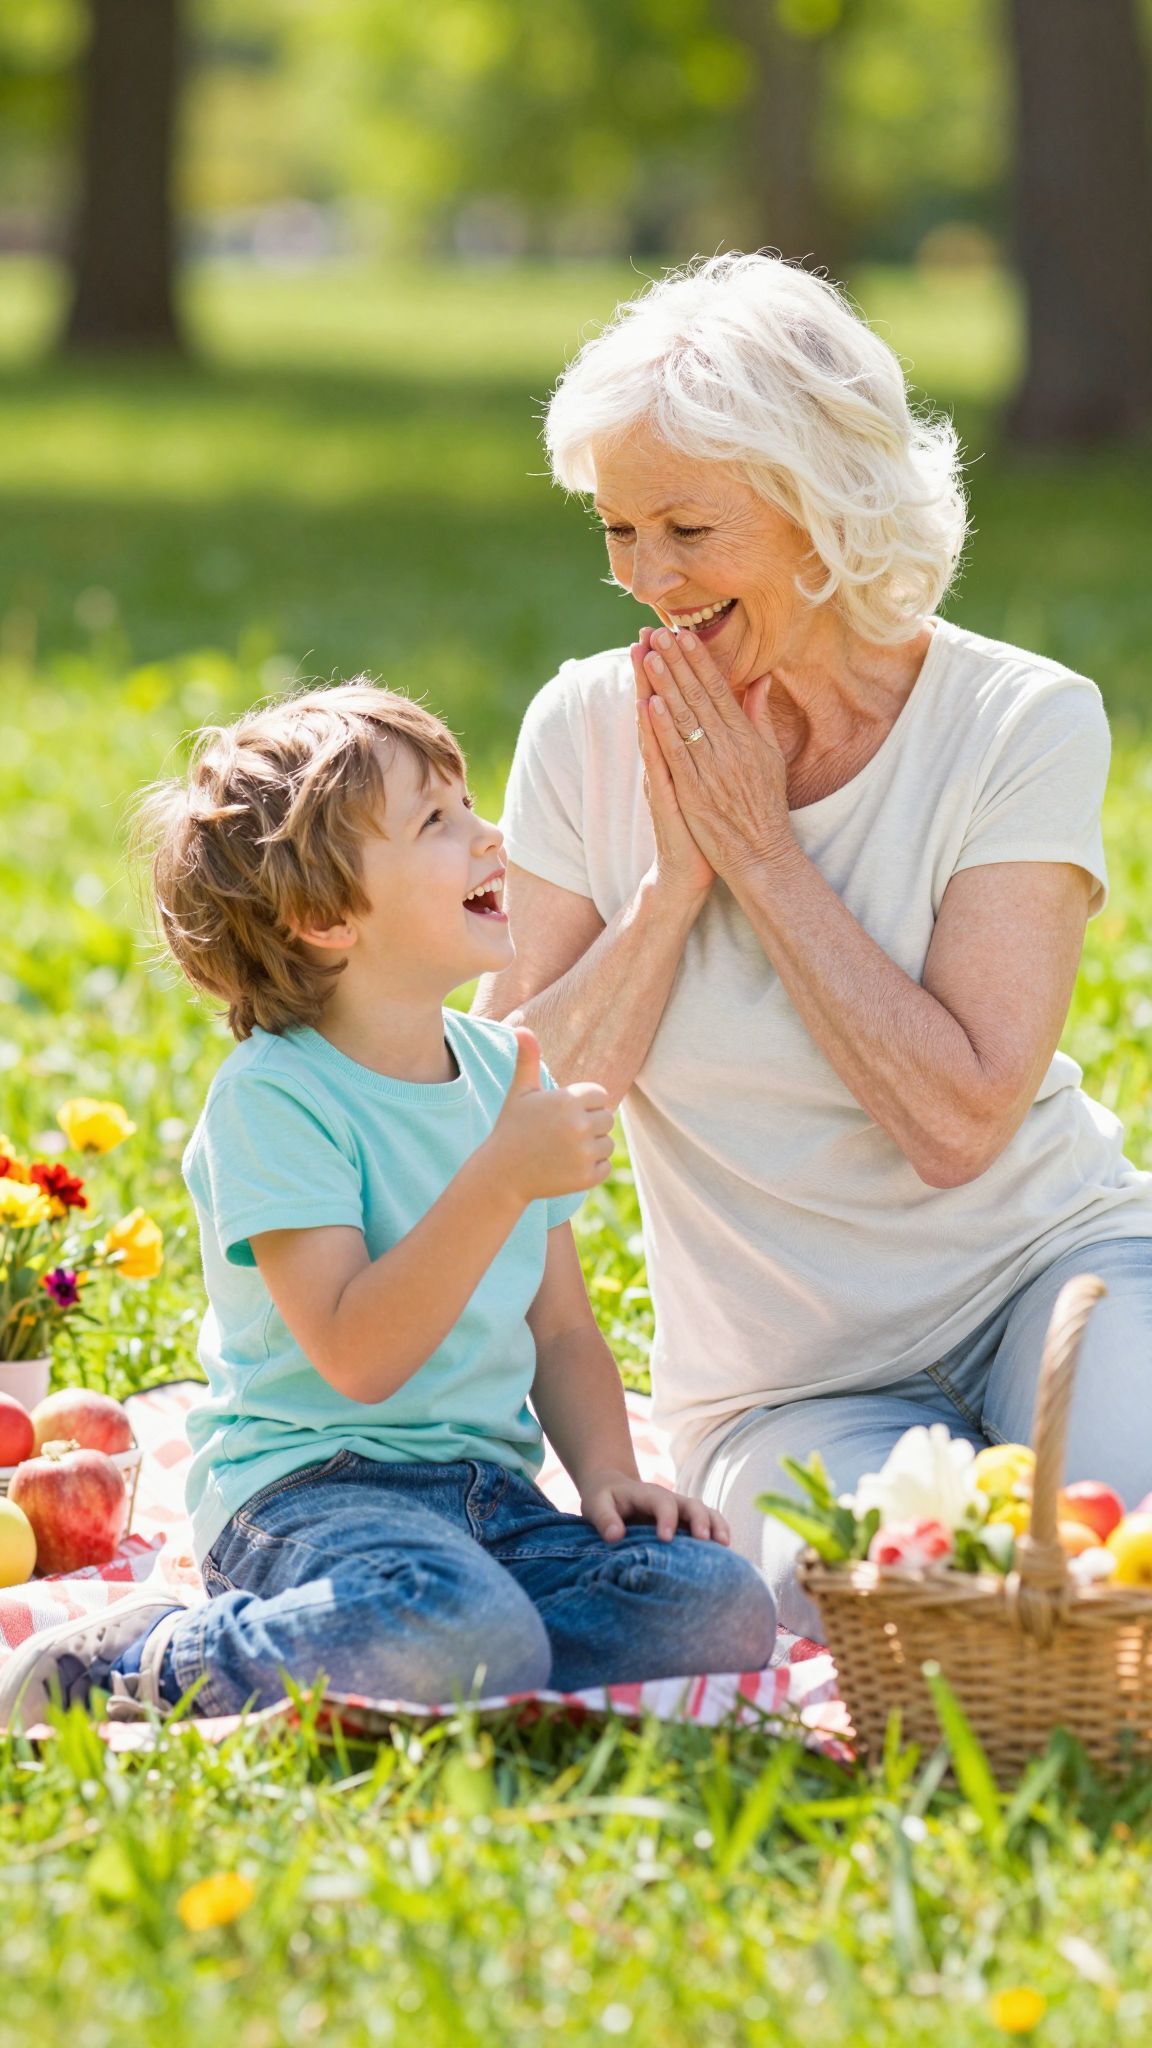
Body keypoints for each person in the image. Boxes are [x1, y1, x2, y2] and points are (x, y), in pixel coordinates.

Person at [474, 251, 1152, 1640]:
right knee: (898, 1618)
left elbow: (959, 1123)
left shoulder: (1022, 721)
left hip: (1054, 1277)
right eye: (616, 529)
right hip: (787, 1381)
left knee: (1119, 1572)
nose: (646, 581)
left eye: (687, 530)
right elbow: (503, 1117)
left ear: (824, 510)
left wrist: (768, 861)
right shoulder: (584, 730)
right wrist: (673, 883)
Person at [0, 682, 774, 1730]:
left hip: (485, 1497)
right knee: (461, 1628)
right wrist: (499, 1175)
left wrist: (608, 1478)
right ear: (325, 919)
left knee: (715, 1599)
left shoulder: (509, 1070)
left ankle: (441, 1639)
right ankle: (148, 1655)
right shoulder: (278, 1095)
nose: (489, 834)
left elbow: (561, 1327)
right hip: (309, 1494)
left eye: (467, 803)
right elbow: (358, 1355)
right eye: (438, 822)